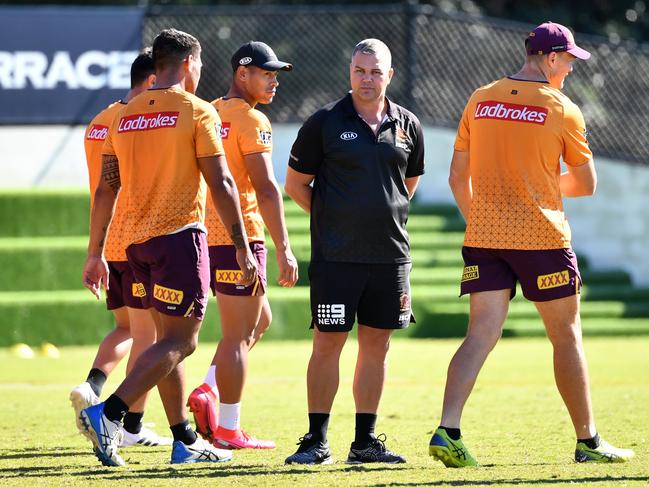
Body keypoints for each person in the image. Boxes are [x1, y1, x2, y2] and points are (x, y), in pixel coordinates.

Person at [428, 21, 635, 467]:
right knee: (566, 336)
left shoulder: (480, 98)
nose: (572, 70)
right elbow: (586, 184)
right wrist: (536, 187)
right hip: (541, 237)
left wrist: (483, 218)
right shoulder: (562, 108)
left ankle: (447, 429)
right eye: (569, 61)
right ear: (551, 58)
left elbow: (454, 178)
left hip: (485, 237)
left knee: (480, 334)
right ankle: (588, 442)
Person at [79, 28, 257, 467]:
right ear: (189, 64)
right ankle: (111, 413)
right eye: (199, 65)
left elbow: (106, 189)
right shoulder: (197, 112)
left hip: (133, 245)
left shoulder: (122, 116)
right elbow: (222, 180)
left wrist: (94, 251)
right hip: (179, 237)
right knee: (183, 339)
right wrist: (241, 245)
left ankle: (184, 439)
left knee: (165, 339)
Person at [284, 38, 425, 465]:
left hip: (390, 257)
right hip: (336, 258)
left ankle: (365, 443)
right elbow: (295, 185)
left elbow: (407, 186)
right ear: (350, 73)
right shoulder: (324, 121)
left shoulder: (408, 124)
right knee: (327, 344)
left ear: (389, 75)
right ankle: (316, 441)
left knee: (377, 347)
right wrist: (334, 218)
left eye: (375, 71)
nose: (367, 79)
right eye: (360, 71)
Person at [187, 41, 298, 450]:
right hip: (242, 238)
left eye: (275, 75)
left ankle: (208, 390)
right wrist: (284, 246)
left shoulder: (209, 111)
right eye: (265, 74)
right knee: (237, 337)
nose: (273, 81)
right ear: (241, 74)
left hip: (205, 235)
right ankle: (229, 429)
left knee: (259, 321)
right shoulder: (253, 120)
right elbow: (267, 189)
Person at [70, 47, 171, 449]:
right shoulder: (139, 119)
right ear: (151, 80)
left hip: (107, 238)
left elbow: (101, 183)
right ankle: (129, 424)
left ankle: (91, 384)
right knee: (151, 337)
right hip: (136, 236)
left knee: (126, 328)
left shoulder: (99, 120)